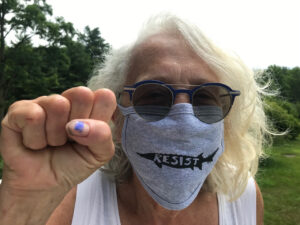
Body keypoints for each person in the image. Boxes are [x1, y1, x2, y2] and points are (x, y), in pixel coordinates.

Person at [0, 14, 268, 225]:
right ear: (116, 113)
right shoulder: (65, 194)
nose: (183, 122)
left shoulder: (243, 197)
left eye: (206, 97)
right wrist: (23, 208)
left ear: (228, 117)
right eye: (153, 95)